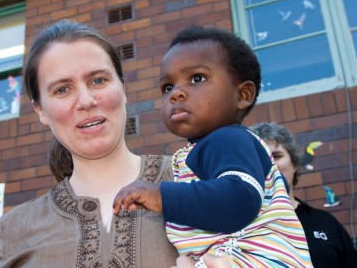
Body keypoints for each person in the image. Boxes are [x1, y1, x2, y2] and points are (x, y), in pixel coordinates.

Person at [0, 20, 228, 268]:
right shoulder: (13, 231)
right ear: (40, 110)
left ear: (123, 89)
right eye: (62, 89)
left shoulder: (208, 180)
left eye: (98, 81)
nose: (86, 100)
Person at [113, 26, 312, 267]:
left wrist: (162, 195)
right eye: (168, 87)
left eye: (197, 78)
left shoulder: (230, 139)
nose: (176, 93)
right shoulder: (208, 146)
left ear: (243, 94)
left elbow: (239, 198)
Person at [248, 122, 357, 268]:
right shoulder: (236, 229)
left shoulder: (325, 223)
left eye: (276, 156)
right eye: (260, 158)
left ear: (294, 164)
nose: (270, 165)